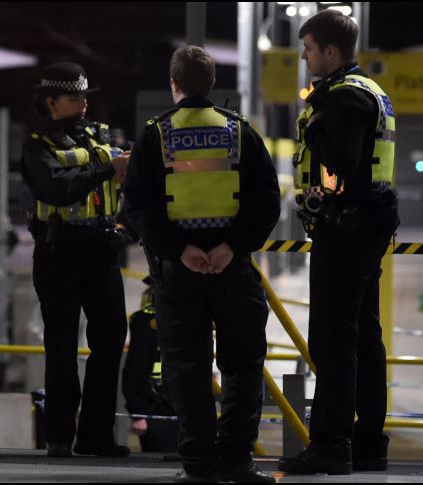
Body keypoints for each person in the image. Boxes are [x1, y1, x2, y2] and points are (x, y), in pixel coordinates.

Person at [124, 46, 280, 483]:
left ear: (173, 84)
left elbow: (136, 203)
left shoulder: (156, 134)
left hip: (178, 273)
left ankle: (198, 466)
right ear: (212, 84)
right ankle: (235, 460)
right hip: (233, 269)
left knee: (187, 368)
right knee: (243, 365)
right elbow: (266, 200)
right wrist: (232, 246)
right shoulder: (239, 132)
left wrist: (178, 249)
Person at [277, 10, 400, 476]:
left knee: (332, 340)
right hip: (368, 225)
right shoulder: (372, 91)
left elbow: (344, 164)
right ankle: (369, 445)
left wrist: (315, 129)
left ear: (331, 51)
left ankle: (331, 445)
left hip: (346, 229)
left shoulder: (343, 98)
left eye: (308, 48)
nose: (305, 57)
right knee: (365, 338)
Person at [20, 61, 131, 458]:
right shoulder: (37, 146)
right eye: (73, 97)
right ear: (50, 102)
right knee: (62, 345)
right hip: (59, 251)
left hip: (101, 248)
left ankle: (95, 435)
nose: (83, 103)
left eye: (85, 96)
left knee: (111, 338)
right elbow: (56, 189)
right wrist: (108, 168)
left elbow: (120, 184)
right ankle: (59, 437)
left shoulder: (99, 136)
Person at [121, 277, 179, 453]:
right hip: (158, 411)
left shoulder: (190, 318)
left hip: (181, 410)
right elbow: (135, 372)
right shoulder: (147, 323)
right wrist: (138, 413)